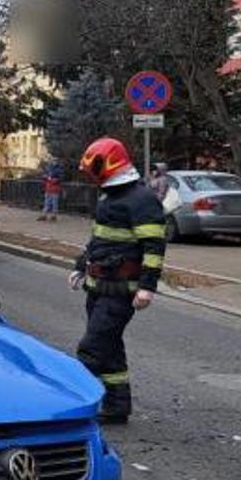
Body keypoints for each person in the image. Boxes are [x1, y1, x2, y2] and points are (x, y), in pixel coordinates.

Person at [67, 137, 166, 425]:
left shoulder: (142, 200)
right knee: (109, 349)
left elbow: (154, 248)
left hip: (121, 292)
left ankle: (71, 406)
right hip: (98, 288)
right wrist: (80, 266)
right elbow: (97, 241)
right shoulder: (108, 198)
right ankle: (117, 404)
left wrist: (148, 287)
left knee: (92, 348)